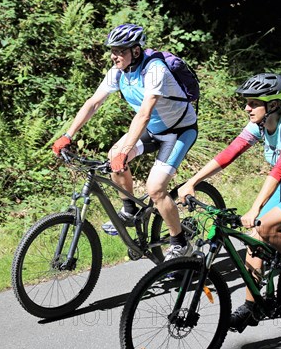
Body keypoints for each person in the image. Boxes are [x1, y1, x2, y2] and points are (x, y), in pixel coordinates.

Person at [177, 73, 281, 332]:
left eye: (253, 103)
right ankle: (252, 307)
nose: (247, 108)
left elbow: (280, 168)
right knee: (255, 240)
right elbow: (229, 154)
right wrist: (193, 181)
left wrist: (255, 208)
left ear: (272, 105)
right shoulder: (260, 125)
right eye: (247, 102)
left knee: (265, 227)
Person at [52, 23, 198, 261]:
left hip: (179, 131)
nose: (114, 55)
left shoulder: (154, 69)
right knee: (114, 157)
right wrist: (68, 135)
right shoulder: (118, 72)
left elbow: (144, 113)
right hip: (152, 129)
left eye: (120, 50)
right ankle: (129, 212)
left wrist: (127, 149)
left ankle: (180, 242)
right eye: (113, 50)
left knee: (156, 188)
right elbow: (93, 103)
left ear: (136, 51)